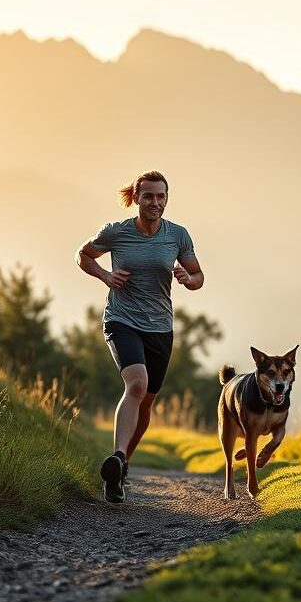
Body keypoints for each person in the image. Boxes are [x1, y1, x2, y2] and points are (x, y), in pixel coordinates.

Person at [75, 170, 204, 503]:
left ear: (166, 198)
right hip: (122, 320)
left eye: (161, 196)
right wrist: (105, 275)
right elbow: (83, 254)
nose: (155, 203)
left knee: (147, 401)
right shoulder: (116, 233)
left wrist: (186, 278)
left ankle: (121, 468)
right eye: (148, 196)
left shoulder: (177, 236)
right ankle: (118, 456)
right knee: (136, 385)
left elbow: (198, 276)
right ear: (135, 198)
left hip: (160, 327)